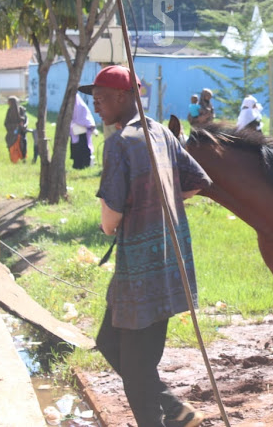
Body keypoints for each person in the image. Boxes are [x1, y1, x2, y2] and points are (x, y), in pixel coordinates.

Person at [80, 65, 212, 427]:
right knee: (109, 341)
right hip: (169, 265)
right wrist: (159, 199)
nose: (97, 107)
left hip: (139, 270)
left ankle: (163, 417)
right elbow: (197, 182)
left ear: (124, 97)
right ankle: (175, 409)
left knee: (137, 371)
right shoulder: (160, 133)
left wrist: (136, 207)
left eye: (103, 99)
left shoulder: (120, 143)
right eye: (94, 100)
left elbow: (110, 221)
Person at [70, 93, 96, 169]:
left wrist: (87, 125)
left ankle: (85, 165)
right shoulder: (72, 106)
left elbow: (87, 118)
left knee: (83, 149)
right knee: (76, 150)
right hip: (75, 131)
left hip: (82, 132)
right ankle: (77, 165)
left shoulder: (81, 106)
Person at [4, 96, 27, 163]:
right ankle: (14, 160)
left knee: (21, 146)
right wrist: (13, 126)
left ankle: (22, 159)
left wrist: (22, 126)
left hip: (20, 132)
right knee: (12, 146)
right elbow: (6, 123)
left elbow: (25, 120)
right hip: (11, 133)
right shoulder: (9, 111)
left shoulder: (21, 110)